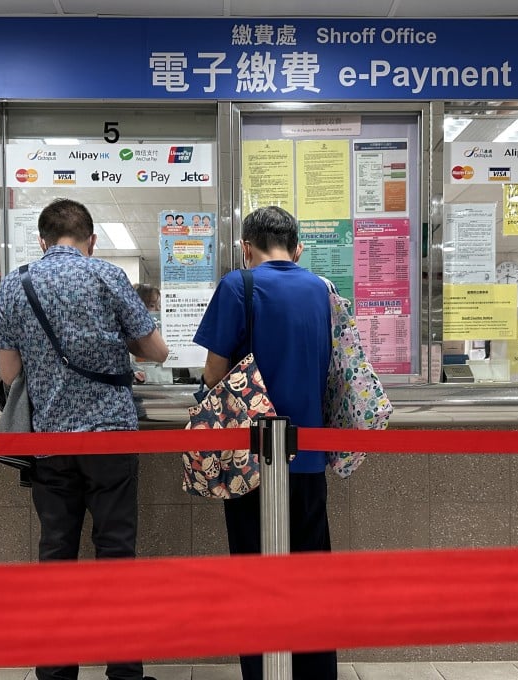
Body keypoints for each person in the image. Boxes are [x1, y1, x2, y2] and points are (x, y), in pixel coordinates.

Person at [0, 198, 167, 680]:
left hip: (50, 443)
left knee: (56, 557)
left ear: (42, 241)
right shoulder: (107, 277)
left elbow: (10, 375)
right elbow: (157, 351)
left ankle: (55, 674)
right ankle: (125, 673)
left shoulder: (15, 284)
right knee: (115, 555)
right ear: (91, 241)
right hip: (110, 438)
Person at [192, 205, 336, 680]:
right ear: (297, 248)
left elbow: (215, 373)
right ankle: (316, 673)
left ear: (246, 248)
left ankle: (264, 673)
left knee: (255, 575)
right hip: (309, 457)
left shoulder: (239, 284)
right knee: (313, 577)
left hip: (250, 459)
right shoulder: (321, 289)